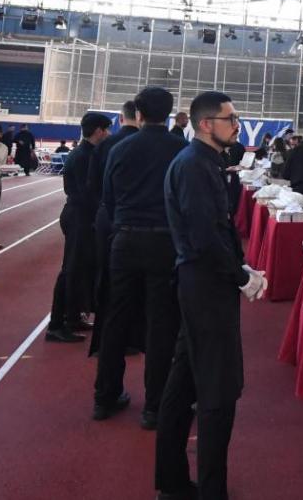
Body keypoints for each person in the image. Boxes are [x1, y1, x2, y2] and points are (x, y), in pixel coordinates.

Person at [156, 91, 265, 500]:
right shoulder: (194, 166)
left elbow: (216, 230)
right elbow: (203, 237)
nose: (237, 125)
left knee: (184, 383)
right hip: (206, 284)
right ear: (206, 124)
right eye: (230, 119)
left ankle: (172, 482)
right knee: (218, 391)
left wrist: (241, 268)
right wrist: (240, 276)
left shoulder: (204, 162)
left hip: (204, 280)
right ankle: (210, 491)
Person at [93, 86, 189, 428]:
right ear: (170, 113)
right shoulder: (181, 149)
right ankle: (155, 406)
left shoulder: (119, 148)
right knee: (161, 324)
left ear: (138, 113)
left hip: (125, 238)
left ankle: (104, 397)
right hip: (165, 243)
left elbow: (107, 196)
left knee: (116, 318)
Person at [48, 112, 112, 343]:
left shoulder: (86, 153)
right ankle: (56, 324)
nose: (109, 134)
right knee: (71, 270)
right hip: (79, 217)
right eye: (107, 129)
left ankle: (74, 316)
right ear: (99, 131)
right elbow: (87, 193)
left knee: (82, 269)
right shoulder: (84, 156)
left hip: (82, 215)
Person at [89, 100, 141, 358]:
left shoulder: (106, 145)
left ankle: (104, 342)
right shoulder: (155, 145)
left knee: (108, 279)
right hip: (142, 224)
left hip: (109, 218)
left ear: (121, 118)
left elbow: (93, 184)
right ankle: (135, 337)